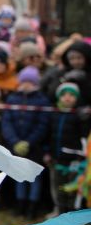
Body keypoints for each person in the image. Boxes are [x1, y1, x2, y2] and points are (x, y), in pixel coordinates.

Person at [0, 67, 50, 218]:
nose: (27, 84)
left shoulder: (42, 100)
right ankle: (20, 205)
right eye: (24, 81)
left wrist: (29, 142)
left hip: (35, 148)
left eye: (30, 81)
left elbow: (43, 125)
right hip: (15, 146)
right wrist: (15, 141)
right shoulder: (12, 99)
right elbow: (6, 122)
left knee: (34, 178)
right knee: (19, 176)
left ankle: (32, 208)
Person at [46, 82, 88, 216]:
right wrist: (47, 152)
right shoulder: (54, 114)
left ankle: (72, 214)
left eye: (71, 95)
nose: (68, 98)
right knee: (57, 186)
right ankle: (59, 210)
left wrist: (82, 157)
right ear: (59, 97)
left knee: (72, 187)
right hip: (56, 158)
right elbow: (48, 135)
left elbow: (84, 138)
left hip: (74, 160)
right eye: (64, 95)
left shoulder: (80, 116)